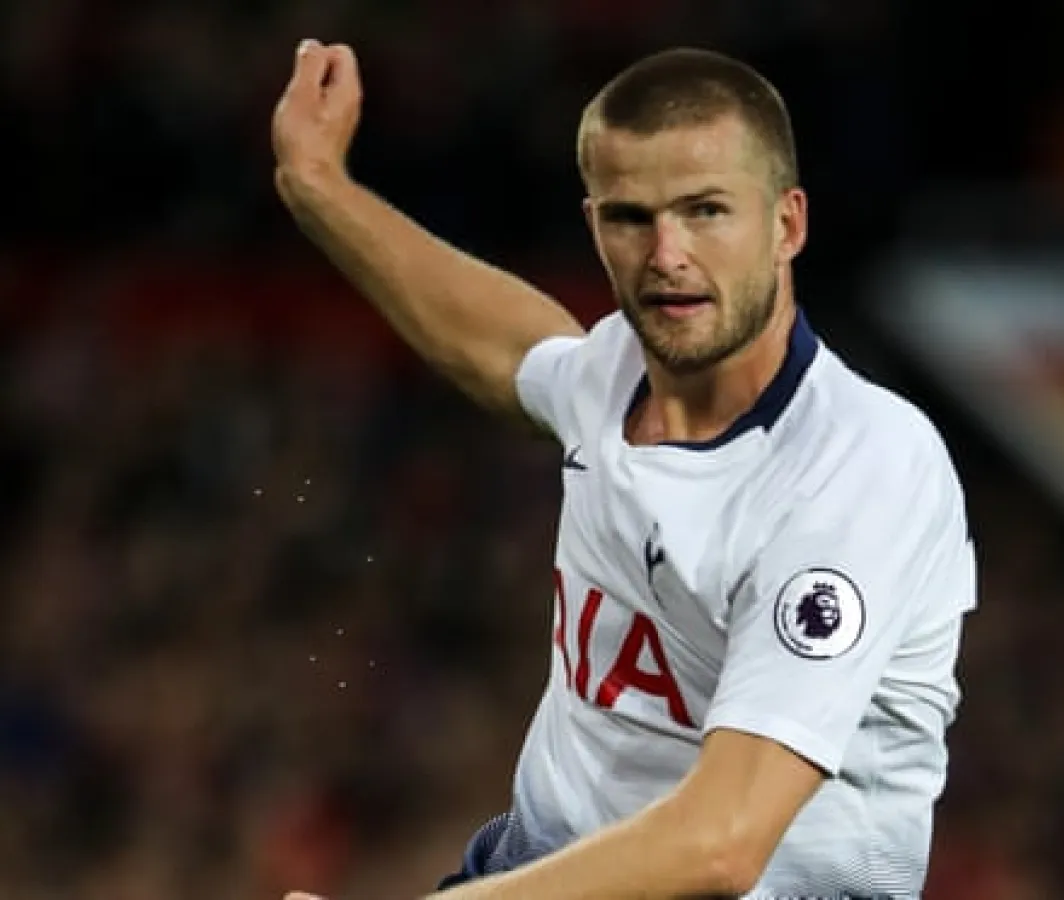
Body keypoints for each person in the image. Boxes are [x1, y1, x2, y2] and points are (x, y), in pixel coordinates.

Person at [271, 40, 977, 900]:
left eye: (706, 211)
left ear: (787, 223)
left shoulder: (858, 468)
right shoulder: (613, 374)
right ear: (594, 226)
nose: (666, 253)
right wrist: (320, 188)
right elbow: (506, 348)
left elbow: (723, 843)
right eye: (630, 217)